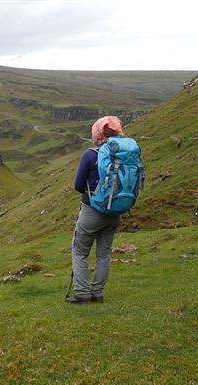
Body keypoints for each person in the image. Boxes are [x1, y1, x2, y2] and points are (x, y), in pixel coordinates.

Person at [66, 116, 124, 304]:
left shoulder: (91, 154)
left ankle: (82, 294)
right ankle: (97, 293)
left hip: (92, 211)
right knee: (104, 253)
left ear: (97, 133)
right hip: (115, 211)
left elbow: (77, 185)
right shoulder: (124, 153)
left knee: (80, 251)